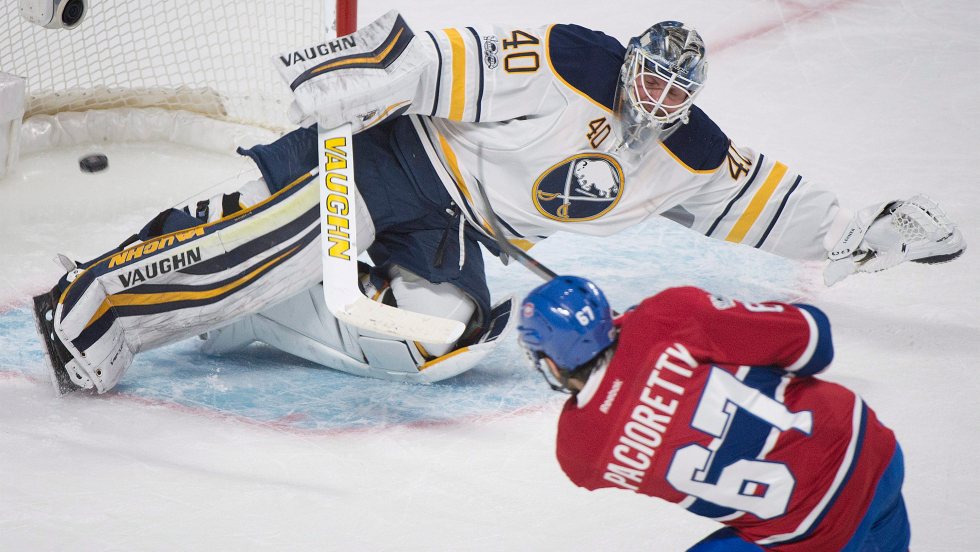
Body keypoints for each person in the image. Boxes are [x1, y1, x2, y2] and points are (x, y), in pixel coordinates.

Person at [32, 12, 964, 394]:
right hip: (399, 159)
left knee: (441, 340)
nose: (656, 99)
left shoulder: (689, 154)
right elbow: (433, 57)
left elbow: (770, 202)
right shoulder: (569, 59)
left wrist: (856, 233)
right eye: (650, 78)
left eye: (675, 91)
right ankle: (95, 302)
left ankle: (256, 310)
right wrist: (356, 72)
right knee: (294, 228)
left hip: (451, 231)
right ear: (633, 63)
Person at [516, 276, 910, 551]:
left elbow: (627, 398)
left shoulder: (579, 451)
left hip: (813, 530)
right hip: (871, 449)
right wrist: (665, 320)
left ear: (550, 363)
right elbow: (816, 342)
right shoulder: (668, 316)